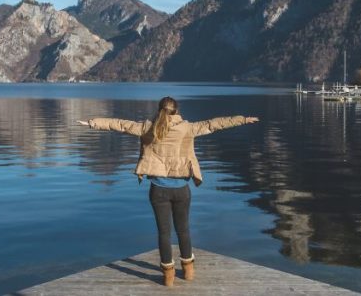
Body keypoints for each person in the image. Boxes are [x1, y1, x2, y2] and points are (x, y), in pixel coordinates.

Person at [78, 96, 259, 287]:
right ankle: (188, 271)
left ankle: (168, 276)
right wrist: (243, 119)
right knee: (183, 230)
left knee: (164, 233)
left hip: (158, 190)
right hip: (181, 190)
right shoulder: (187, 128)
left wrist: (92, 122)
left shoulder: (148, 127)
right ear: (177, 111)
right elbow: (214, 124)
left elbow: (120, 125)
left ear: (159, 110)